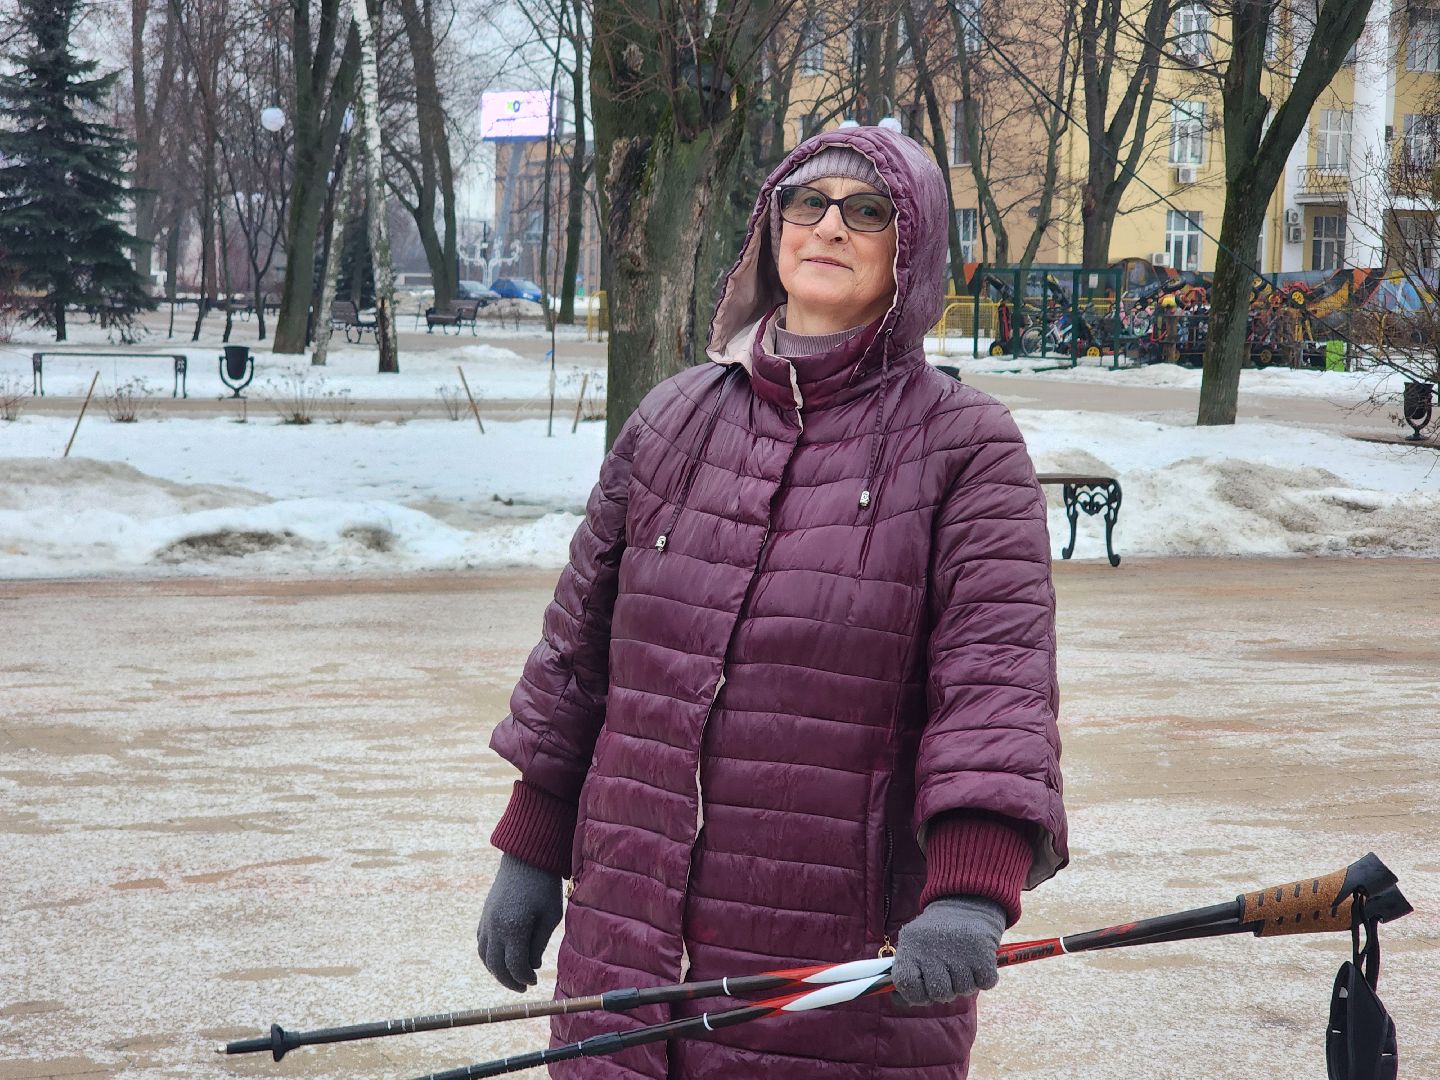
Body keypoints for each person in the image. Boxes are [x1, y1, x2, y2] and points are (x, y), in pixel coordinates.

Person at [476, 125, 1067, 1079]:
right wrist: (533, 843)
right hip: (626, 951)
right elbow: (580, 657)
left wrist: (969, 890)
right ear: (772, 230)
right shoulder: (672, 421)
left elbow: (996, 693)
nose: (831, 226)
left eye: (868, 210)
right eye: (809, 202)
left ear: (909, 249)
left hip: (839, 978)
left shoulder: (966, 446)